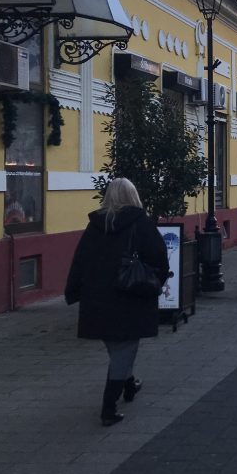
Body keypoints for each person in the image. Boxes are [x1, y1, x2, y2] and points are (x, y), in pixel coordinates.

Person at [65, 178, 170, 427]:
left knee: (117, 347)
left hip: (97, 299)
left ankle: (129, 383)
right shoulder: (141, 223)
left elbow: (80, 260)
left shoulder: (95, 226)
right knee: (124, 349)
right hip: (130, 296)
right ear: (133, 195)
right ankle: (108, 408)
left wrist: (74, 291)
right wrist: (156, 282)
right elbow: (159, 258)